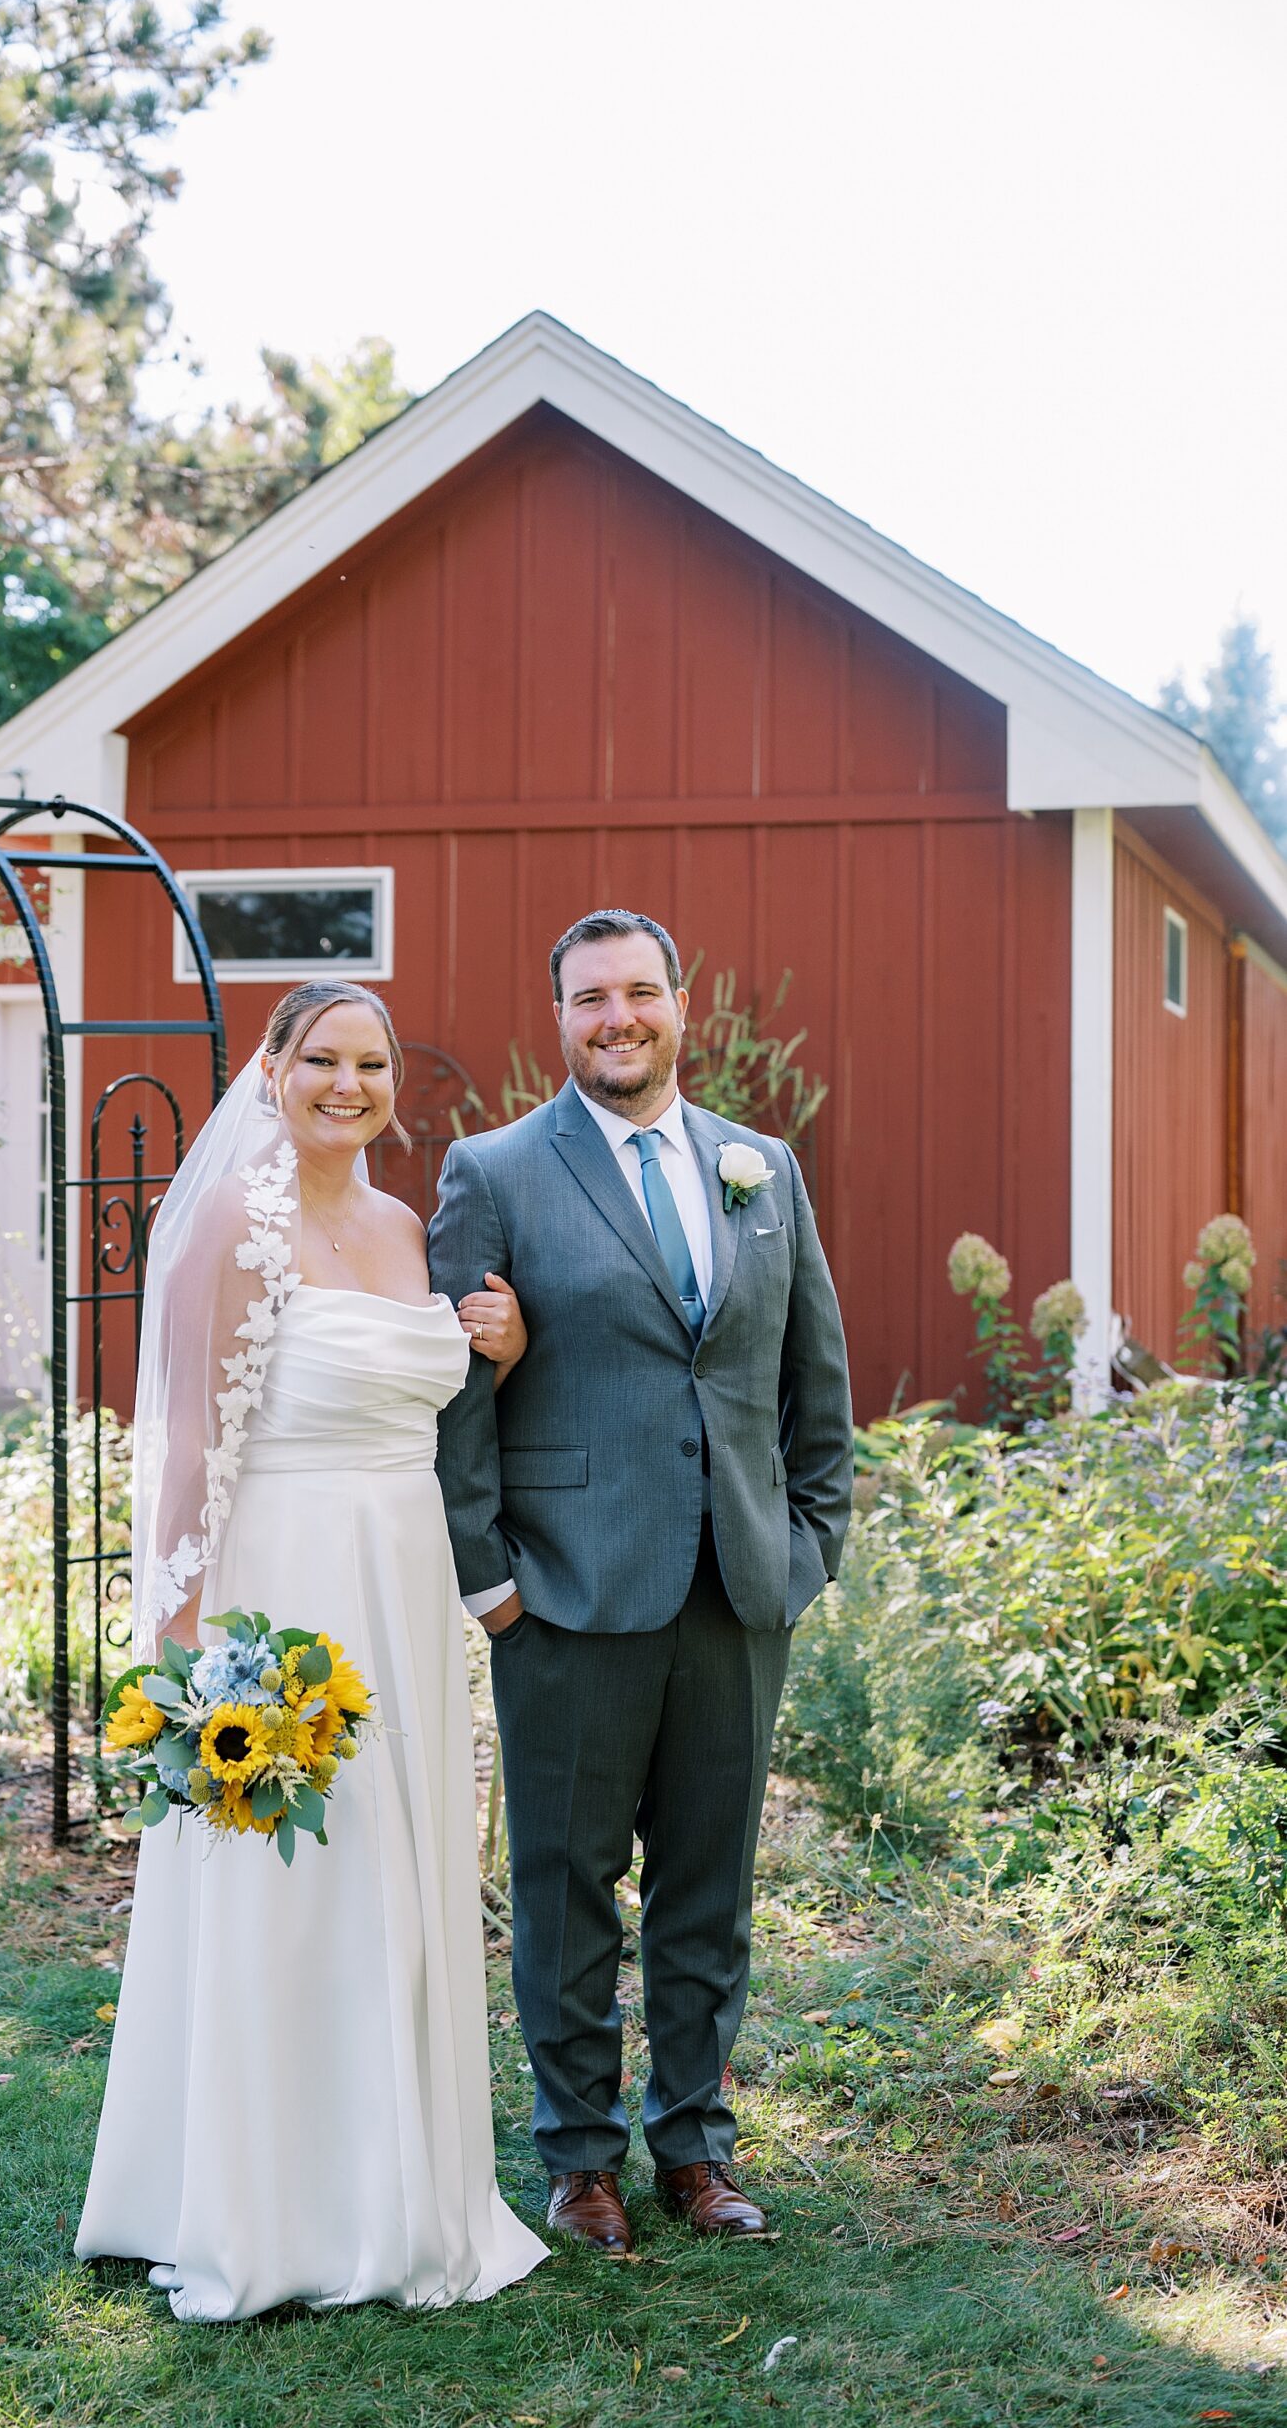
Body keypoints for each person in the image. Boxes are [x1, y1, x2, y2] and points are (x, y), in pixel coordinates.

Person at [75, 979, 548, 2319]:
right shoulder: (233, 1221)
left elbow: (422, 1405)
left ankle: (405, 2189)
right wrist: (181, 1643)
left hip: (401, 1576)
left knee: (399, 1871)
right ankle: (272, 2203)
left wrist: (497, 1356)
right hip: (284, 1581)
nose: (351, 1084)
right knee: (290, 1883)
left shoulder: (405, 1226)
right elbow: (182, 1444)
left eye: (373, 1063)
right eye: (323, 1060)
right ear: (273, 1071)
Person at [428, 909, 852, 2257]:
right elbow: (452, 1395)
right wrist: (487, 1577)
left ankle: (697, 2147)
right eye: (590, 997)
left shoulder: (760, 1168)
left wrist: (810, 1542)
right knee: (564, 1885)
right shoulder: (493, 1170)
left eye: (640, 991)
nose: (619, 1016)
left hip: (738, 1588)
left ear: (683, 1002)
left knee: (709, 1884)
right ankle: (577, 2160)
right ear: (558, 1018)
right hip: (565, 1593)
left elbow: (812, 1384)